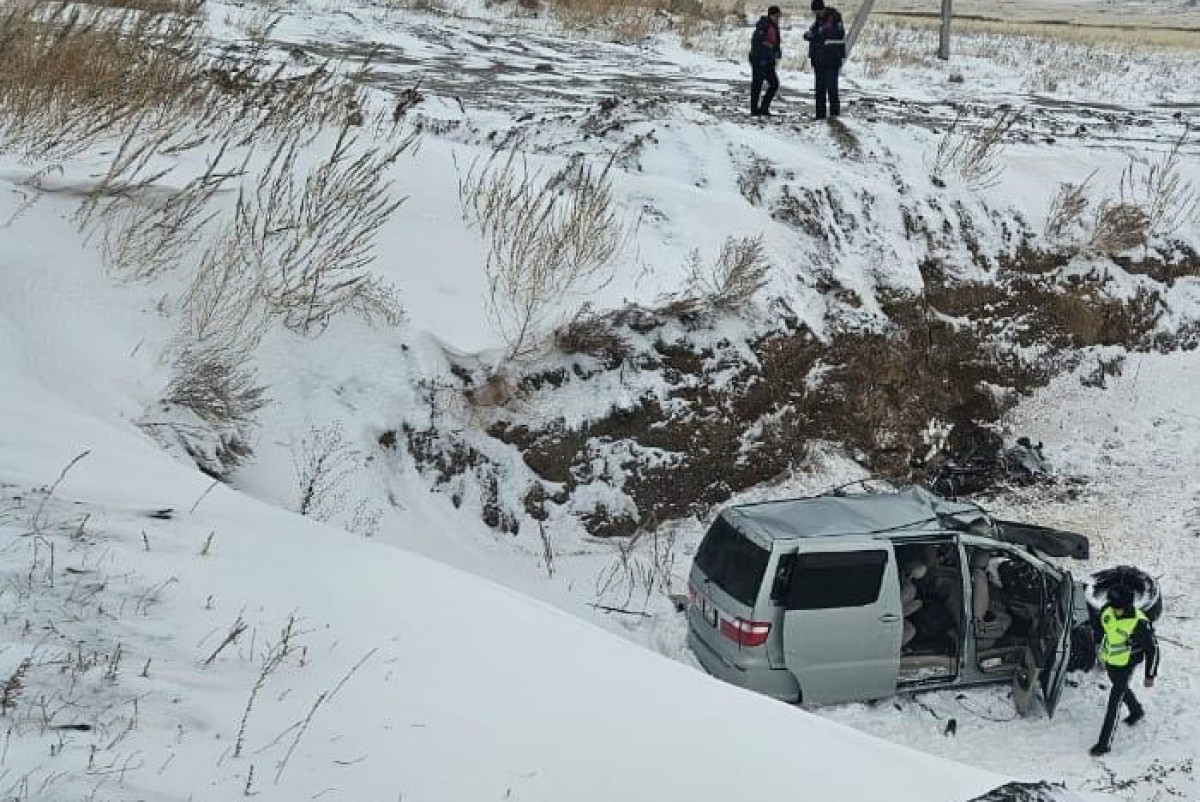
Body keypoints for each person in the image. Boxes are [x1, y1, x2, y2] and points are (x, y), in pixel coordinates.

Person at [1090, 585, 1160, 756]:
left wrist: (1149, 675)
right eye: (1113, 606)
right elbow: (1101, 627)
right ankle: (1136, 710)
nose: (1114, 611)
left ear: (1127, 606)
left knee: (1114, 701)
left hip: (1127, 664)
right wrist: (1098, 646)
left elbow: (1153, 650)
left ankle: (1104, 744)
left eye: (1118, 608)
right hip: (1111, 661)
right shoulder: (1108, 609)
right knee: (1119, 688)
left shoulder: (1139, 623)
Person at [803, 6, 846, 120]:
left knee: (832, 88)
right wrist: (811, 35)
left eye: (818, 11)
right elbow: (812, 33)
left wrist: (821, 33)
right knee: (820, 90)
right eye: (815, 12)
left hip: (832, 60)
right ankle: (820, 115)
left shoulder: (835, 19)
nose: (817, 14)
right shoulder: (818, 21)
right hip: (819, 60)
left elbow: (839, 34)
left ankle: (834, 115)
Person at [748, 5, 783, 118]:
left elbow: (775, 44)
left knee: (774, 84)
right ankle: (754, 110)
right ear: (771, 15)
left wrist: (777, 52)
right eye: (777, 16)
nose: (778, 18)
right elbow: (757, 43)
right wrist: (761, 57)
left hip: (768, 61)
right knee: (757, 85)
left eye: (779, 16)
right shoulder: (763, 25)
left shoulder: (774, 27)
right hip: (759, 60)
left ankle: (763, 108)